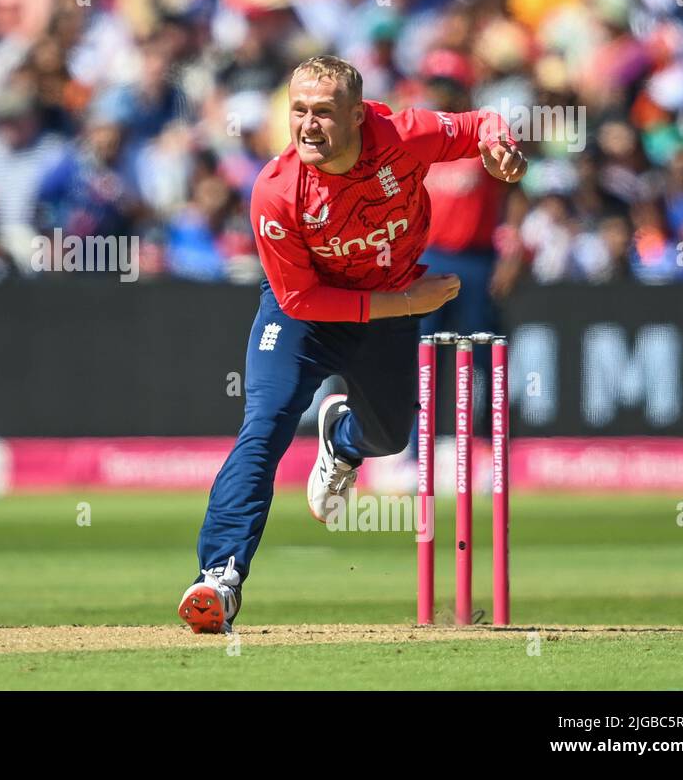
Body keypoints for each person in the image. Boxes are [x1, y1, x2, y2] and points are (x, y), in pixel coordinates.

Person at [178, 55, 526, 634]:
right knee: (265, 424)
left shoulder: (402, 137)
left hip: (385, 305)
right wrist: (409, 305)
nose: (308, 126)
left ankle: (342, 443)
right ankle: (220, 577)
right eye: (298, 111)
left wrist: (501, 149)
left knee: (389, 437)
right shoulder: (276, 191)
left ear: (359, 115)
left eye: (323, 113)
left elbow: (482, 122)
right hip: (305, 313)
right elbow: (301, 301)